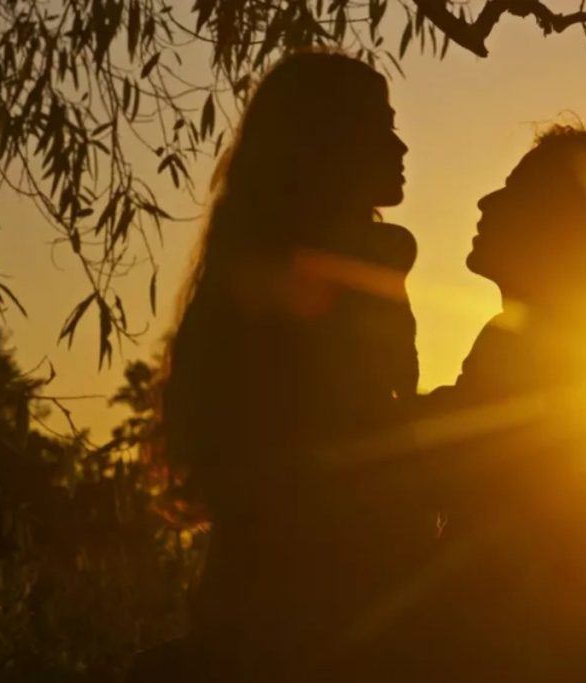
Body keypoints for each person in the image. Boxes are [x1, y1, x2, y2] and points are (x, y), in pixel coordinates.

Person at [152, 50, 414, 681]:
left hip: (255, 595)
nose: (401, 147)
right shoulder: (358, 266)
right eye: (380, 127)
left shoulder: (243, 274)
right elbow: (368, 431)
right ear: (330, 145)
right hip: (322, 607)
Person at [399, 125, 586, 682]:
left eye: (512, 191)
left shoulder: (553, 346)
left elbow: (444, 457)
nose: (485, 201)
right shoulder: (557, 339)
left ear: (557, 227)